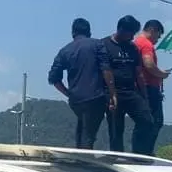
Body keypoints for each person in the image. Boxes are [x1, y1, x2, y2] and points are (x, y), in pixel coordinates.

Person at [48, 18, 116, 149]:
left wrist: (68, 93)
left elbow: (53, 79)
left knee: (83, 129)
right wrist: (113, 93)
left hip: (76, 100)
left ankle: (78, 158)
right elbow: (106, 70)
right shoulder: (97, 45)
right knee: (88, 135)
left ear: (73, 32)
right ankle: (84, 163)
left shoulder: (65, 51)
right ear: (89, 31)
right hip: (96, 97)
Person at [104, 15, 156, 155]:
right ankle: (117, 159)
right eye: (130, 33)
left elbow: (138, 73)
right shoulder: (104, 45)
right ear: (121, 30)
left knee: (147, 120)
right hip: (112, 93)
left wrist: (144, 96)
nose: (132, 37)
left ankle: (139, 154)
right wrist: (110, 93)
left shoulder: (132, 48)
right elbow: (104, 71)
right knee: (116, 130)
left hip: (131, 91)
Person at [133, 19, 172, 151]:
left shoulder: (136, 42)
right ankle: (146, 151)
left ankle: (140, 151)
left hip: (140, 87)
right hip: (149, 88)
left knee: (143, 122)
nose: (157, 39)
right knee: (155, 121)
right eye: (158, 35)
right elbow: (148, 64)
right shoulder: (146, 44)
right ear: (152, 30)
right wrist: (161, 74)